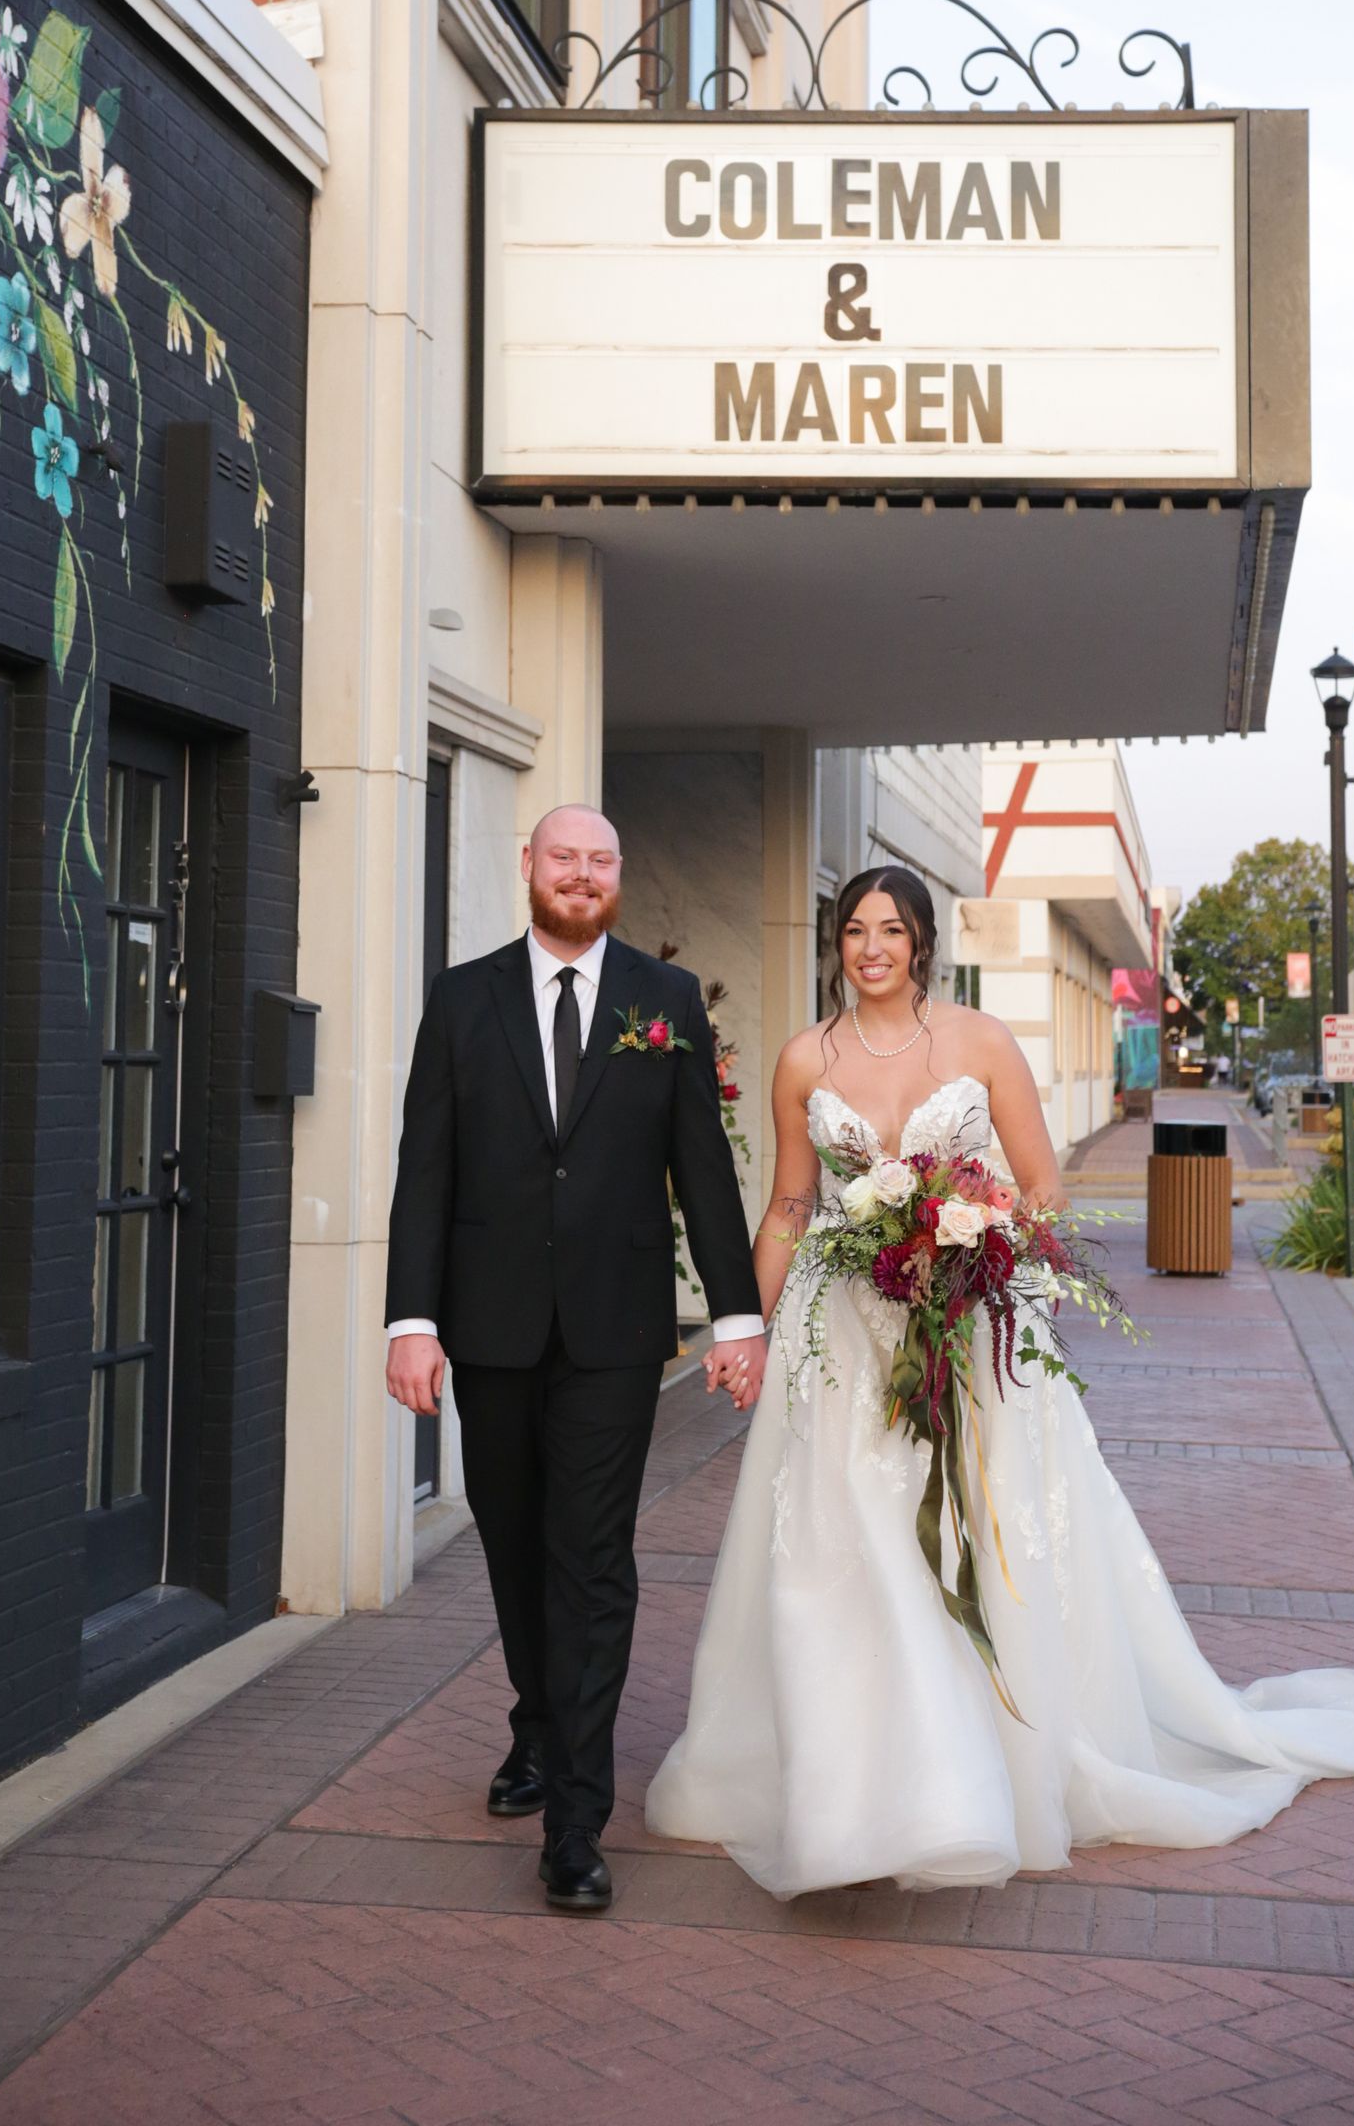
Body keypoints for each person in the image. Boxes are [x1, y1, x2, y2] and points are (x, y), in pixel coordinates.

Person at [647, 863, 1354, 1898]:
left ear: (921, 945)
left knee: (965, 1542)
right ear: (838, 942)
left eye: (892, 931)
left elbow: (1041, 1189)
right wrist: (750, 1331)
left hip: (970, 1331)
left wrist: (975, 1254)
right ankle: (856, 1783)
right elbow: (785, 1206)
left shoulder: (980, 1043)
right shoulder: (803, 1059)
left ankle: (976, 1773)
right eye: (855, 930)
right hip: (845, 1346)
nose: (872, 949)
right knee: (846, 1550)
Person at [386, 804, 764, 1914]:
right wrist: (412, 1319)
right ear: (531, 870)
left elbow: (703, 1168)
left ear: (617, 878)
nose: (583, 875)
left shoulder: (667, 1000)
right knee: (514, 1545)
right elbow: (427, 1169)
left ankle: (575, 1824)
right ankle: (538, 1726)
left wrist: (736, 1318)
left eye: (602, 861)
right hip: (489, 1325)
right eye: (566, 858)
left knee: (591, 1559)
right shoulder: (463, 998)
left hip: (615, 1333)